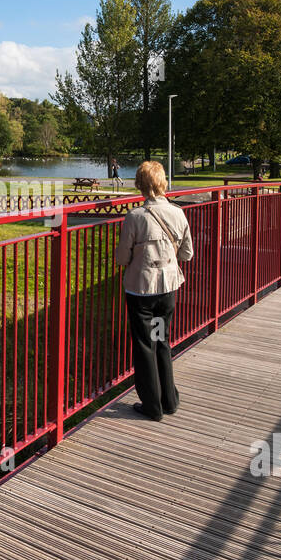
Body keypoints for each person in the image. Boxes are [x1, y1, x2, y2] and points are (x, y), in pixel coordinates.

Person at [115, 160, 194, 421]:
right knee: (162, 340)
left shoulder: (135, 217)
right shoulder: (178, 213)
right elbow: (187, 253)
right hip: (168, 289)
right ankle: (169, 399)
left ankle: (151, 405)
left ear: (140, 185)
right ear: (162, 184)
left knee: (143, 345)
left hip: (141, 292)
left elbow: (122, 258)